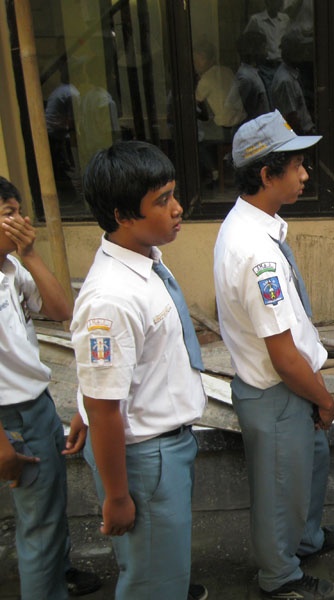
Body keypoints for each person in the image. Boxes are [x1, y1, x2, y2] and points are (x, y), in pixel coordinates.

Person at [213, 110, 334, 600]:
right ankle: (280, 577)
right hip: (279, 389)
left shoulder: (259, 227)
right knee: (279, 490)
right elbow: (284, 356)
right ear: (268, 175)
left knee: (305, 472)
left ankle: (305, 541)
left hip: (291, 386)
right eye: (297, 166)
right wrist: (325, 399)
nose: (306, 174)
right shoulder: (257, 253)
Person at [70, 142, 208, 600]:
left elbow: (111, 377)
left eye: (172, 194)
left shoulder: (145, 260)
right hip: (146, 457)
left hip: (163, 448)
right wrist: (117, 495)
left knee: (162, 566)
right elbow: (104, 407)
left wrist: (83, 407)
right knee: (152, 581)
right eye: (162, 200)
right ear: (122, 215)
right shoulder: (111, 298)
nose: (177, 208)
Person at [0, 177, 101, 599]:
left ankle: (57, 573)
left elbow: (61, 310)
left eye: (20, 211)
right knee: (38, 522)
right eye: (9, 213)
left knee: (49, 506)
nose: (21, 220)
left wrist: (30, 254)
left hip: (34, 404)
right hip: (10, 418)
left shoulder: (11, 268)